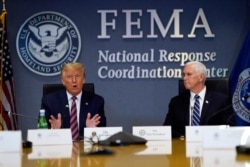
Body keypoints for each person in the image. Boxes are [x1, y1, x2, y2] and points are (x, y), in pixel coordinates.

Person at [163, 61, 235, 138]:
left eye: (189, 74)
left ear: (201, 77)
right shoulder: (176, 102)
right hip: (184, 146)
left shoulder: (221, 101)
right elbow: (167, 129)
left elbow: (229, 128)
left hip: (211, 145)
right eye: (184, 75)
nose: (184, 78)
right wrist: (181, 137)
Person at [40, 62, 106, 140]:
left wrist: (91, 130)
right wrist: (54, 131)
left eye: (77, 76)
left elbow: (103, 131)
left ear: (84, 79)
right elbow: (42, 132)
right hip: (60, 148)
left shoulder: (96, 101)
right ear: (63, 81)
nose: (74, 80)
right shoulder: (49, 101)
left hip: (86, 148)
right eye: (69, 77)